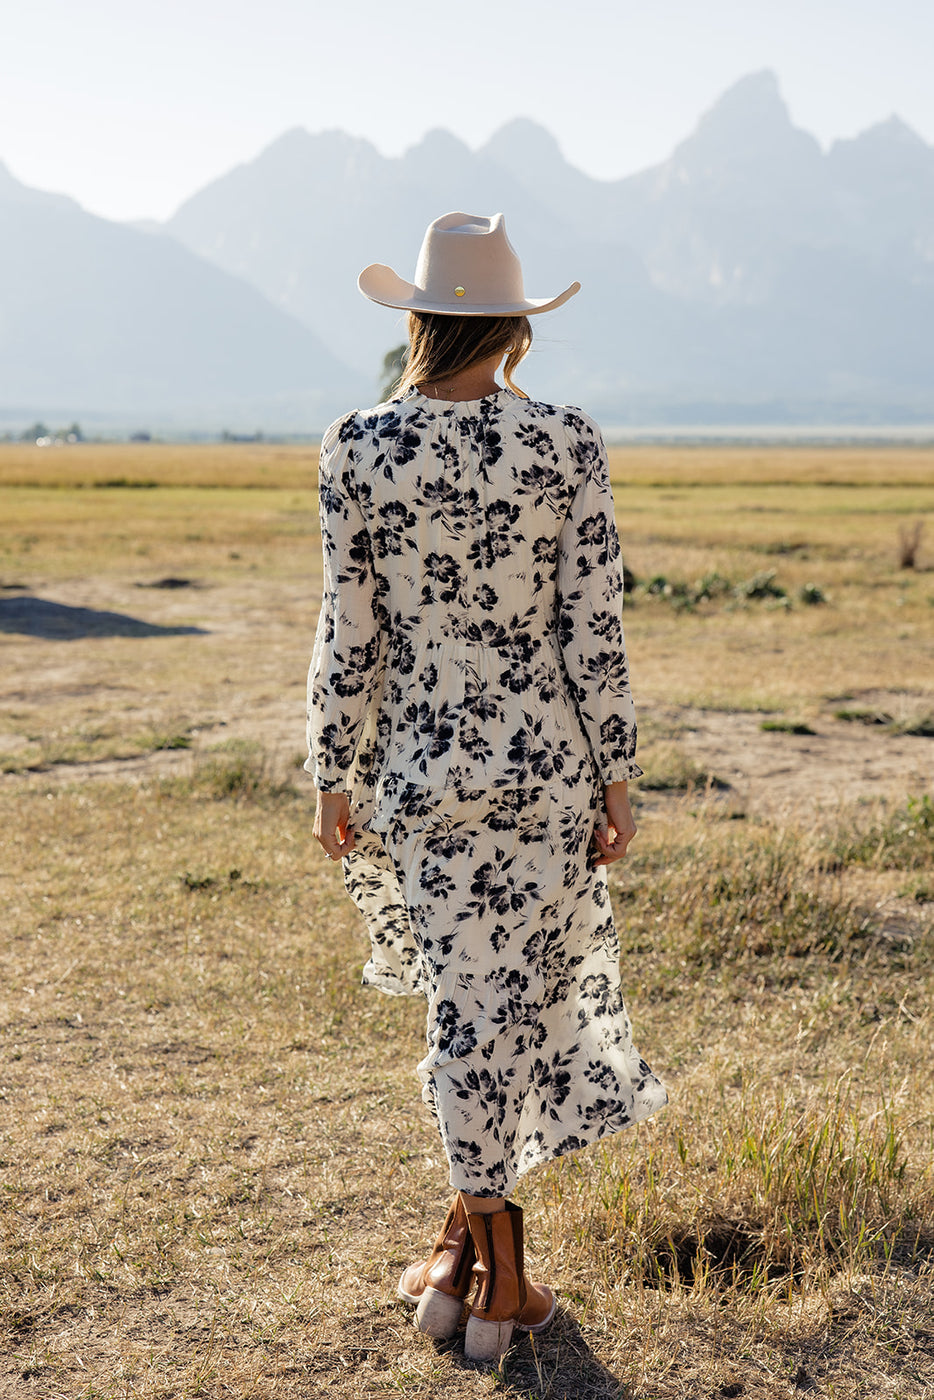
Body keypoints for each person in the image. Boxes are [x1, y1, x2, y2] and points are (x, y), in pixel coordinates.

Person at [306, 212, 667, 1363]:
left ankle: (467, 1265)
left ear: (416, 320)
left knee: (470, 1008)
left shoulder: (357, 446)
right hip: (549, 771)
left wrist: (329, 774)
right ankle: (496, 1276)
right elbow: (591, 626)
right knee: (499, 1008)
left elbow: (347, 631)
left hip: (422, 773)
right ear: (514, 330)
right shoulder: (567, 441)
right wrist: (616, 773)